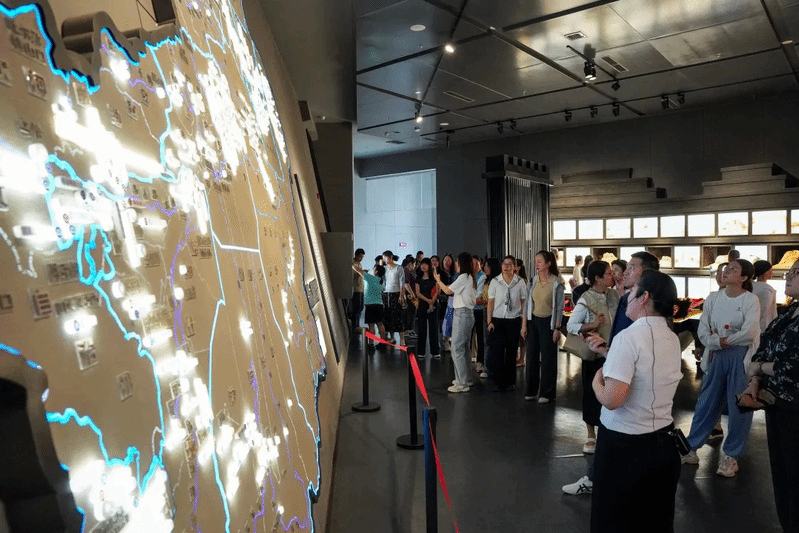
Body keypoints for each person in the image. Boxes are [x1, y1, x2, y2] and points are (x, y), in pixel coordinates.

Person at [587, 270, 683, 532]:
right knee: (655, 520)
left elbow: (612, 399)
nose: (626, 297)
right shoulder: (672, 338)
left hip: (624, 447)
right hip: (663, 443)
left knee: (614, 520)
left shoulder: (628, 337)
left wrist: (596, 382)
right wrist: (609, 354)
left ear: (644, 297)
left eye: (631, 291)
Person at [562, 251, 660, 495]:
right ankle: (597, 467)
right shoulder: (612, 298)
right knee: (608, 411)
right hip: (606, 357)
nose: (621, 273)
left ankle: (600, 478)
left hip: (617, 361)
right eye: (611, 272)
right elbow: (573, 325)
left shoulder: (625, 299)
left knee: (617, 416)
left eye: (631, 267)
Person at [682, 259, 761, 477]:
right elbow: (703, 329)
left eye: (733, 269)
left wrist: (724, 340)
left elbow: (750, 332)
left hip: (740, 356)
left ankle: (731, 456)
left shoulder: (750, 300)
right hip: (716, 354)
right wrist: (716, 342)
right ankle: (691, 448)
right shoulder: (713, 298)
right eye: (726, 268)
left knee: (739, 406)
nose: (726, 271)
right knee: (707, 401)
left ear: (744, 277)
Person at [742, 260, 799, 532]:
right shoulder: (789, 314)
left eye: (796, 272)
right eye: (789, 271)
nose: (788, 276)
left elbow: (793, 367)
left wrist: (760, 368)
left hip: (795, 407)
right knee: (783, 473)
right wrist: (755, 379)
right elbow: (764, 346)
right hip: (777, 404)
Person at [566, 260, 618, 455]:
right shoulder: (586, 298)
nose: (612, 276)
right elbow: (571, 325)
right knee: (591, 392)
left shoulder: (614, 295)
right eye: (609, 273)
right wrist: (593, 325)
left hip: (614, 351)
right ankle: (590, 434)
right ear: (597, 278)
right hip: (595, 353)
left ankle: (609, 430)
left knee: (613, 392)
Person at [524, 250, 565, 403]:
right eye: (536, 261)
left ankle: (546, 393)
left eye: (540, 261)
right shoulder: (532, 281)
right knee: (531, 357)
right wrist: (524, 325)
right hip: (533, 321)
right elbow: (527, 304)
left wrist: (557, 329)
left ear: (548, 264)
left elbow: (559, 308)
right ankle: (531, 390)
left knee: (548, 359)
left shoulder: (556, 283)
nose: (537, 264)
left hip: (549, 323)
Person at [434, 253, 477, 393]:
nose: (456, 265)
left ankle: (461, 383)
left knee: (457, 348)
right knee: (464, 348)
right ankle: (466, 378)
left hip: (462, 314)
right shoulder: (469, 277)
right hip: (467, 314)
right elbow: (451, 288)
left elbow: (447, 290)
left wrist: (438, 280)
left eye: (457, 262)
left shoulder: (464, 277)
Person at [487, 255, 528, 392]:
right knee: (497, 351)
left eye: (510, 264)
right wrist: (489, 321)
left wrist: (523, 323)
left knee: (511, 352)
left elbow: (524, 303)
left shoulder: (520, 282)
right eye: (504, 264)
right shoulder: (495, 281)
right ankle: (498, 381)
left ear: (515, 267)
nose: (506, 266)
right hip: (498, 319)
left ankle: (510, 381)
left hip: (514, 319)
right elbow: (490, 302)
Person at [354, 263, 387, 348]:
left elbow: (358, 270)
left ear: (376, 271)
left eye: (374, 269)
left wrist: (352, 264)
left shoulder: (371, 278)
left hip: (370, 305)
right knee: (380, 324)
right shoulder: (381, 281)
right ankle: (383, 343)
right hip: (379, 304)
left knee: (371, 325)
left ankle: (371, 344)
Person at [480, 258, 501, 379]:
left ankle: (489, 368)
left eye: (487, 266)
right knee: (487, 341)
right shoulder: (486, 280)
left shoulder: (497, 281)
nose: (485, 268)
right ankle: (487, 366)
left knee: (491, 341)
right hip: (485, 310)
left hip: (494, 313)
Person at [414, 258, 439, 359]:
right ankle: (421, 351)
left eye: (425, 264)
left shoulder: (434, 277)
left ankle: (435, 351)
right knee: (421, 329)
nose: (423, 266)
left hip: (433, 304)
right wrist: (428, 300)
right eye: (422, 265)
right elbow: (418, 293)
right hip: (422, 305)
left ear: (429, 266)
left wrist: (432, 300)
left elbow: (437, 290)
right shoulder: (418, 278)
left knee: (433, 328)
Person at [381, 251, 406, 345]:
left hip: (396, 293)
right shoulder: (384, 269)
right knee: (388, 316)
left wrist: (401, 295)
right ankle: (392, 337)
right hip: (386, 293)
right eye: (384, 258)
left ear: (391, 257)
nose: (385, 260)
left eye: (386, 258)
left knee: (398, 316)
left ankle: (402, 338)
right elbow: (381, 280)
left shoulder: (399, 268)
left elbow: (402, 282)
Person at [753, 259, 778, 331]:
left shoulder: (750, 286)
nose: (772, 272)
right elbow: (764, 310)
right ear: (764, 272)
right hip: (765, 327)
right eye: (770, 270)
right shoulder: (767, 289)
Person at [472, 256, 487, 374]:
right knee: (468, 337)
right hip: (469, 310)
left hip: (480, 310)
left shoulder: (483, 277)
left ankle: (480, 361)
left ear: (480, 264)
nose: (474, 266)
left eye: (476, 264)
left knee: (481, 337)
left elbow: (478, 295)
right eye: (472, 264)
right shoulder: (467, 276)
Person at [351, 248, 366, 332]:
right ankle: (354, 326)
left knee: (360, 307)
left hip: (361, 289)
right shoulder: (353, 264)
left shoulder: (359, 264)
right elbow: (352, 276)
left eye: (362, 257)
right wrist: (360, 273)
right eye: (360, 257)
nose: (361, 259)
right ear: (356, 255)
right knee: (356, 308)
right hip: (356, 289)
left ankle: (357, 325)